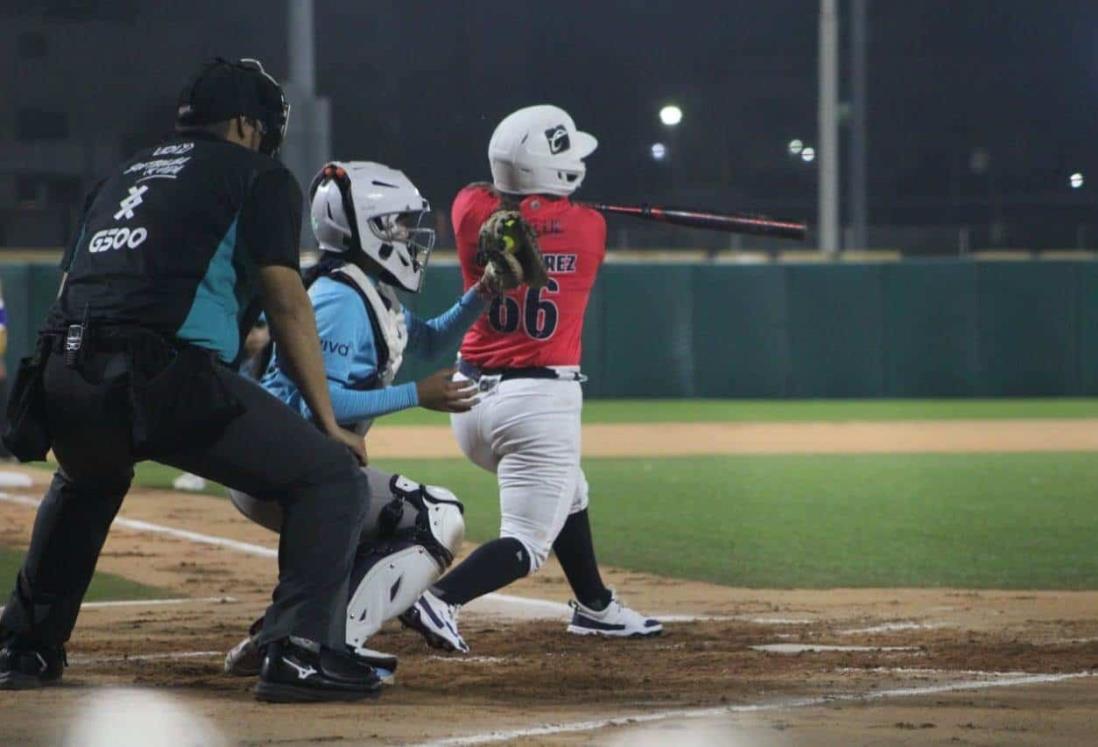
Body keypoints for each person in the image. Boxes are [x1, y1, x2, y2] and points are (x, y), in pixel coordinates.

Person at [0, 58, 380, 703]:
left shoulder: (118, 177)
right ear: (242, 124)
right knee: (330, 476)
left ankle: (24, 647)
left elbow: (69, 291)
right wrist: (327, 420)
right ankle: (298, 651)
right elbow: (287, 302)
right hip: (162, 375)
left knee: (88, 477)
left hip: (61, 372)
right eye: (262, 127)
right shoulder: (257, 174)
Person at [400, 105, 662, 653]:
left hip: (469, 399)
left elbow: (487, 190)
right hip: (538, 404)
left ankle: (595, 606)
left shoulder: (470, 210)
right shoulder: (592, 227)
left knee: (571, 490)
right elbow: (555, 216)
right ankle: (440, 600)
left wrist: (528, 203)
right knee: (526, 543)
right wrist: (550, 211)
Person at [222, 161, 488, 678]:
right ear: (368, 227)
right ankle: (322, 643)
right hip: (278, 464)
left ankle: (277, 635)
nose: (410, 235)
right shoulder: (341, 297)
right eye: (399, 224)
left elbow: (430, 339)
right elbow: (325, 401)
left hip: (284, 462)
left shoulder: (362, 287)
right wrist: (417, 394)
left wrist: (488, 289)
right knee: (437, 517)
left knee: (369, 540)